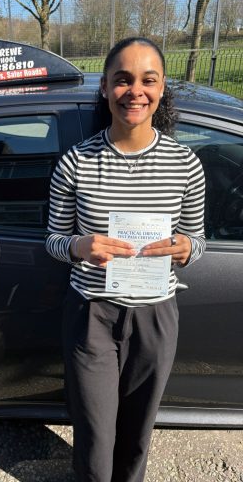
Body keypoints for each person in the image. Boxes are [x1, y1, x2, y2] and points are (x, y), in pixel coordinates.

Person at [45, 37, 206, 482]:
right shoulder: (76, 163)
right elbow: (54, 239)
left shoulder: (186, 164)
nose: (135, 91)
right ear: (104, 87)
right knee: (95, 435)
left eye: (147, 80)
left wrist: (187, 248)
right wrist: (80, 247)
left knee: (137, 432)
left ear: (161, 87)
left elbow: (198, 238)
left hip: (155, 315)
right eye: (122, 80)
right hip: (92, 315)